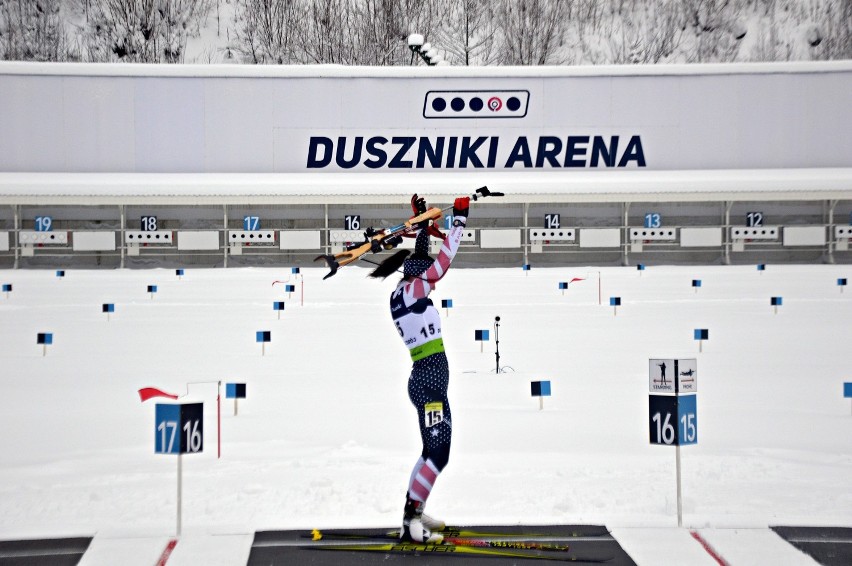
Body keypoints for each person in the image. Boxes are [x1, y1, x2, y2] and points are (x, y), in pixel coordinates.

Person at [368, 194, 470, 543]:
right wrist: (459, 223)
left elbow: (423, 259)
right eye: (428, 277)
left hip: (429, 382)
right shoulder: (414, 288)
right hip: (428, 383)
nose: (433, 282)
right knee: (438, 454)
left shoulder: (405, 289)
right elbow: (441, 263)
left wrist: (424, 223)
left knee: (431, 451)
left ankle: (415, 509)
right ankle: (411, 521)